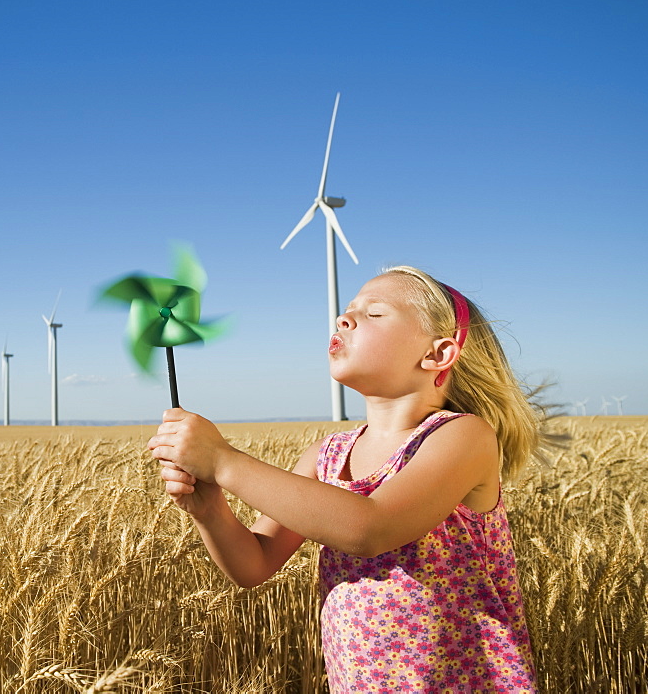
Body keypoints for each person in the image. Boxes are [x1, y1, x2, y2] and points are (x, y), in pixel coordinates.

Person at [148, 265, 554, 692]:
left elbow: (370, 527)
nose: (343, 318)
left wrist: (224, 462)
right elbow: (254, 563)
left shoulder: (462, 435)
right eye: (346, 310)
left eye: (374, 313)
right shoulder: (327, 455)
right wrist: (210, 508)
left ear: (438, 354)